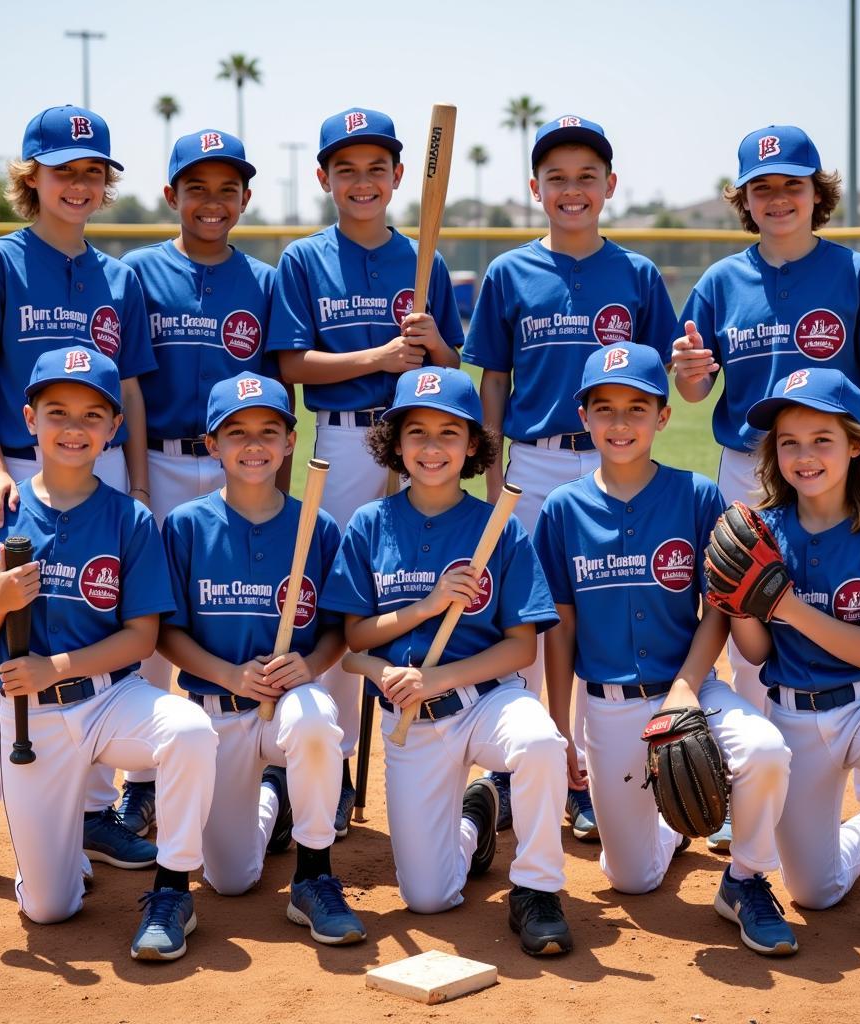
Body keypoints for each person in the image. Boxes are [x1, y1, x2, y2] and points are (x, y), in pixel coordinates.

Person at [0, 106, 158, 898]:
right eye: (64, 169)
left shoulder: (119, 275)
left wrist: (132, 482)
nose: (81, 183)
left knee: (89, 624)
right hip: (22, 466)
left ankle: (93, 808)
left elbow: (128, 388)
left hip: (97, 470)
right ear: (32, 177)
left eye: (94, 170)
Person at [671, 125, 860, 849]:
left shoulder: (857, 274)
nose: (778, 198)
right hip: (749, 468)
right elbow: (693, 387)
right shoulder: (721, 282)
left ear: (818, 194)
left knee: (853, 605)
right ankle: (759, 791)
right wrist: (689, 377)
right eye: (763, 187)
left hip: (839, 470)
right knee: (751, 614)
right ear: (745, 200)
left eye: (793, 184)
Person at [0, 347, 217, 961]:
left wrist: (56, 667)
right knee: (49, 908)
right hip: (32, 722)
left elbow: (142, 639)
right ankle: (60, 853)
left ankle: (172, 889)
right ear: (29, 419)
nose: (74, 427)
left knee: (191, 731)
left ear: (114, 430)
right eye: (58, 411)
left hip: (111, 698)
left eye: (93, 415)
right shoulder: (1, 513)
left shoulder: (130, 518)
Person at [533, 343, 795, 955]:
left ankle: (746, 879)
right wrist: (561, 723)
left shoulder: (697, 495)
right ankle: (672, 833)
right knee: (633, 880)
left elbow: (719, 611)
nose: (620, 423)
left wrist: (685, 688)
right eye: (605, 409)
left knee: (764, 751)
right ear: (584, 417)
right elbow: (561, 629)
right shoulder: (563, 510)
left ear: (663, 416)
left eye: (637, 408)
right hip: (610, 706)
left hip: (691, 687)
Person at [462, 115, 678, 839]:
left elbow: (671, 386)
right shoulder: (509, 272)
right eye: (556, 177)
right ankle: (520, 760)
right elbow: (493, 380)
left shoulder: (639, 275)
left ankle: (590, 771)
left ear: (610, 186)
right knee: (528, 613)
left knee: (608, 604)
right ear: (535, 189)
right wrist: (493, 477)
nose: (572, 189)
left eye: (587, 176)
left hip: (617, 457)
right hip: (533, 459)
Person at [321, 366, 573, 957]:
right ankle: (475, 820)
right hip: (415, 719)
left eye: (448, 433)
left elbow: (521, 647)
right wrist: (428, 606)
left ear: (473, 447)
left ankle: (537, 889)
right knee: (428, 898)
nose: (432, 448)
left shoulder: (497, 529)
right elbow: (354, 641)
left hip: (487, 699)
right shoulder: (369, 523)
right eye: (417, 433)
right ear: (395, 444)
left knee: (540, 743)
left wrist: (440, 675)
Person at [266, 108, 464, 837]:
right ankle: (333, 772)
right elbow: (291, 364)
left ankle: (430, 765)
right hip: (344, 443)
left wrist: (436, 343)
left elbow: (453, 376)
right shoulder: (304, 259)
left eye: (376, 168)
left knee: (410, 593)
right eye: (345, 169)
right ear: (323, 178)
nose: (361, 181)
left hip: (419, 446)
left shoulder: (426, 260)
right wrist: (379, 358)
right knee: (340, 603)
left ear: (399, 178)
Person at [727, 367, 860, 954]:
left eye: (822, 439)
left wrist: (787, 605)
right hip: (794, 715)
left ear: (854, 444)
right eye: (789, 442)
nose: (805, 455)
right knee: (814, 892)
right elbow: (754, 652)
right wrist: (740, 603)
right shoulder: (762, 532)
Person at [158, 372, 366, 945]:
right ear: (212, 445)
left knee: (319, 720)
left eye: (268, 431)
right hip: (216, 705)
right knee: (230, 880)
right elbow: (164, 634)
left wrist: (313, 665)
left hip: (289, 701)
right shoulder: (186, 526)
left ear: (291, 442)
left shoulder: (316, 526)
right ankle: (274, 792)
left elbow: (337, 632)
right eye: (236, 432)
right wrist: (227, 674)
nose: (254, 445)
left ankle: (314, 874)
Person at [119, 129, 279, 835]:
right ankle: (144, 776)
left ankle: (266, 760)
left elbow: (278, 391)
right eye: (196, 188)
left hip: (236, 468)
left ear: (245, 198)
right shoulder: (136, 274)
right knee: (151, 618)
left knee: (233, 605)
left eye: (226, 189)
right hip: (156, 458)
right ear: (170, 196)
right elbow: (122, 385)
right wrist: (136, 483)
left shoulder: (266, 281)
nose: (212, 203)